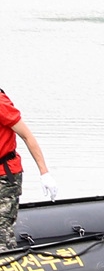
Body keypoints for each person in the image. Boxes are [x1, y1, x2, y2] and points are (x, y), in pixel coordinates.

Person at [0, 86, 54, 243]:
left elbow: (27, 136)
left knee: (2, 234)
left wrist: (44, 173)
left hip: (5, 176)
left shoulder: (1, 105)